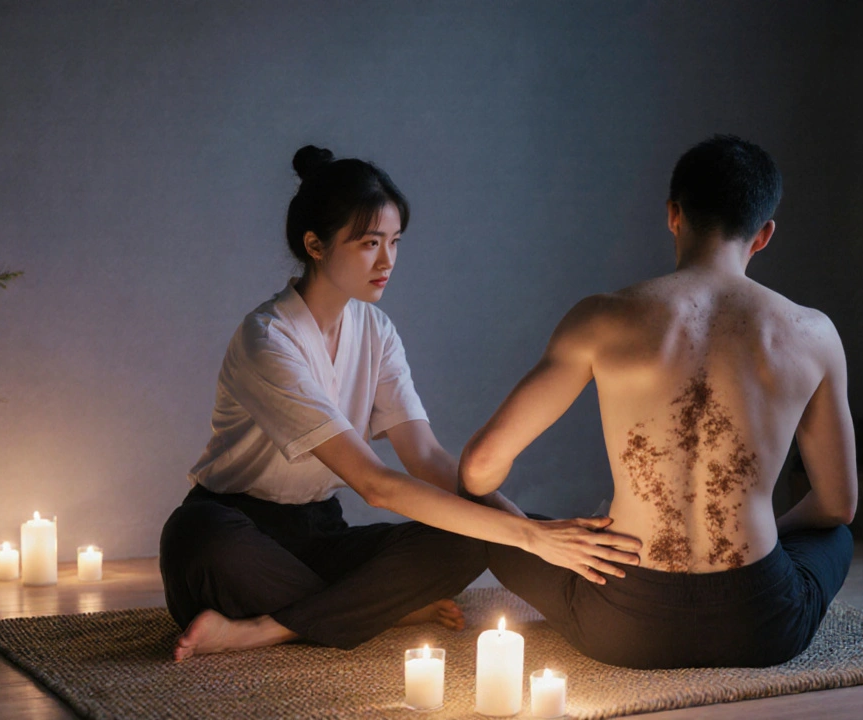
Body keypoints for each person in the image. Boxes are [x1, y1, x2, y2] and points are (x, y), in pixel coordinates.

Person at [160, 145, 641, 661]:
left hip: (320, 534)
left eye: (394, 242)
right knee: (200, 539)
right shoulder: (268, 339)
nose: (387, 261)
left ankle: (267, 627)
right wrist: (526, 536)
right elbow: (375, 484)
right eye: (370, 243)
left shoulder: (377, 330)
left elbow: (427, 459)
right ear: (315, 245)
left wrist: (529, 529)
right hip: (236, 530)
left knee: (468, 536)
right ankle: (369, 609)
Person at [459, 135, 857, 669]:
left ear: (674, 215)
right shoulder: (814, 334)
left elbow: (479, 468)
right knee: (836, 538)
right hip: (760, 625)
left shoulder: (603, 317)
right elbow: (837, 505)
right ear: (763, 235)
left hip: (622, 625)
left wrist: (539, 536)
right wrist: (770, 535)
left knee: (492, 523)